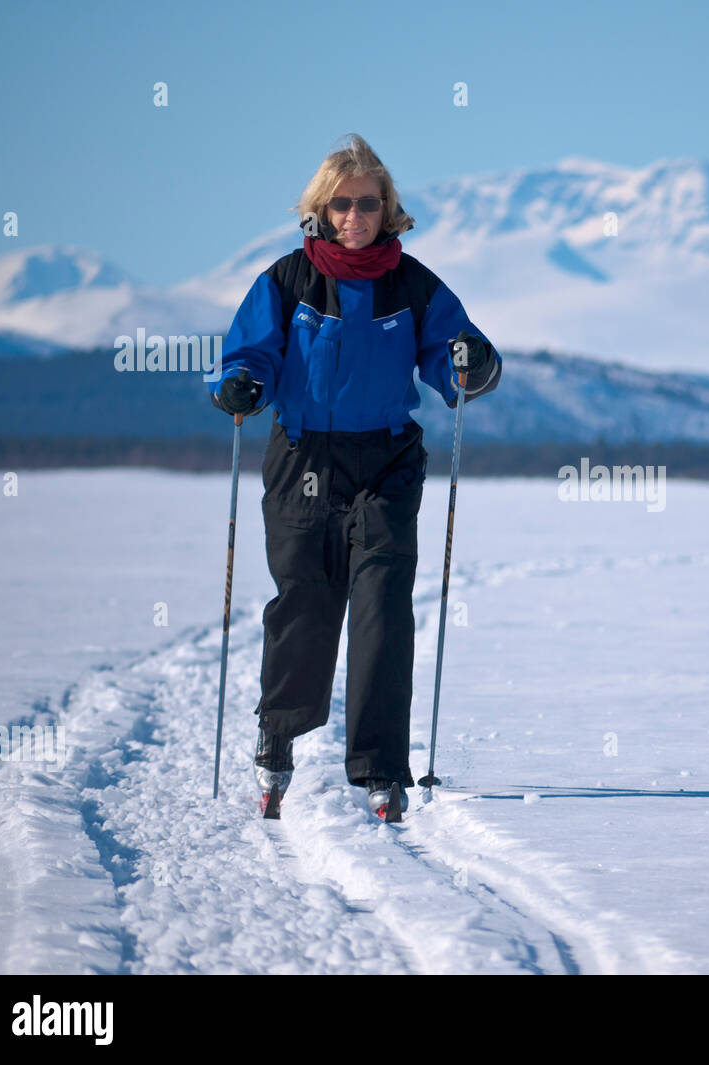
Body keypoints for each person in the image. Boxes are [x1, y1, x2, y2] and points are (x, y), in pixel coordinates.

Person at [208, 133, 501, 821]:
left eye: (369, 203)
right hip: (304, 460)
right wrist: (240, 383)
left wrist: (470, 364)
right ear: (320, 209)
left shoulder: (413, 283)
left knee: (381, 610)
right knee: (305, 605)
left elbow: (455, 357)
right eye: (342, 204)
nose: (356, 215)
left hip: (386, 463)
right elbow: (247, 354)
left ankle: (381, 769)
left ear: (387, 208)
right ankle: (277, 736)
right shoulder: (286, 281)